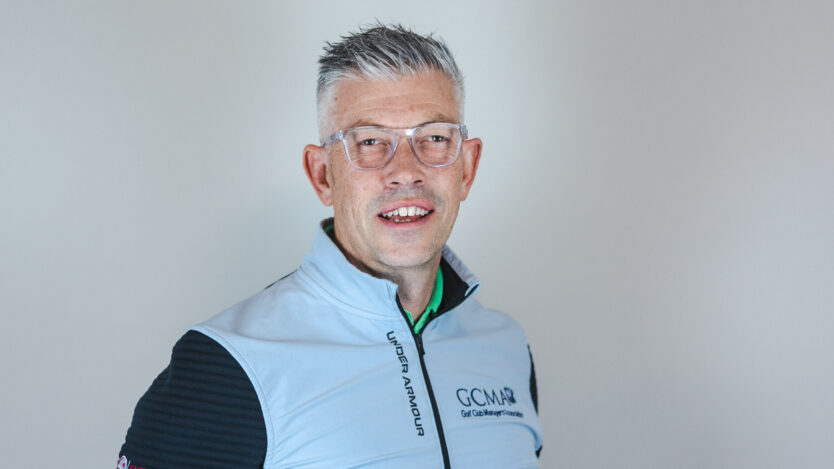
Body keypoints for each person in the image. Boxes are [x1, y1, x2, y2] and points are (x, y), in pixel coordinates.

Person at [118, 23, 543, 469]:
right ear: (322, 175)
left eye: (434, 138)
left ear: (467, 168)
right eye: (370, 142)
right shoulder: (223, 367)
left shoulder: (506, 348)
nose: (405, 171)